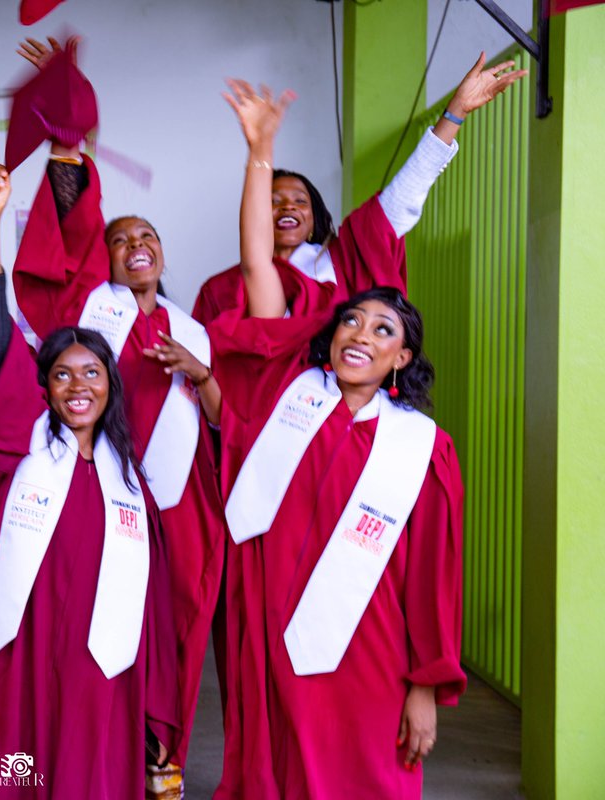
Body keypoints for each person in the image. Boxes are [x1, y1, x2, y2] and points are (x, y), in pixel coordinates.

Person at [205, 75, 471, 799]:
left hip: (371, 646)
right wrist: (259, 152)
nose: (362, 333)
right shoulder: (286, 388)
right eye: (352, 320)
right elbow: (259, 264)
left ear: (402, 358)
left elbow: (430, 579)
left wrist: (424, 687)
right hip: (277, 638)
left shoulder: (421, 446)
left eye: (384, 329)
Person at [0, 164, 179, 799]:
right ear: (43, 388)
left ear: (111, 385)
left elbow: (155, 606)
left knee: (87, 775)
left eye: (92, 373)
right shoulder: (20, 454)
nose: (78, 385)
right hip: (22, 660)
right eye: (62, 375)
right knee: (18, 770)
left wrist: (159, 697)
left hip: (100, 672)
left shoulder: (130, 485)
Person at [11, 37, 224, 790]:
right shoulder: (87, 311)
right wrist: (69, 148)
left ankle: (158, 767)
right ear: (102, 258)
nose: (136, 245)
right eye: (121, 238)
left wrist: (198, 374)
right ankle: (57, 767)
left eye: (148, 237)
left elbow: (223, 417)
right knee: (91, 631)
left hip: (181, 505)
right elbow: (67, 236)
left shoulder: (193, 326)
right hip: (101, 494)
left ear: (164, 253)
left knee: (174, 636)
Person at [192, 52, 529, 326]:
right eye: (274, 201)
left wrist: (455, 114)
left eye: (299, 201)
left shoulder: (347, 256)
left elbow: (402, 197)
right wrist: (260, 148)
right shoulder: (220, 290)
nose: (288, 208)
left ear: (315, 216)